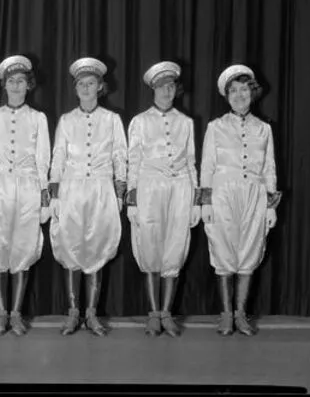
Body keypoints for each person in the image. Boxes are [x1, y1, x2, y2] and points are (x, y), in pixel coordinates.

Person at [199, 64, 281, 336]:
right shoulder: (216, 127)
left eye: (244, 89)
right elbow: (207, 165)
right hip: (223, 193)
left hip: (254, 195)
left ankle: (241, 314)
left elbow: (269, 167)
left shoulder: (263, 129)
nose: (239, 95)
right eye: (233, 91)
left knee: (249, 251)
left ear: (252, 93)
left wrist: (270, 206)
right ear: (226, 96)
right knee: (223, 251)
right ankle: (225, 314)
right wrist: (206, 202)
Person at [49, 57, 127, 337]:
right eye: (81, 84)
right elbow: (57, 157)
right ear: (76, 88)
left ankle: (92, 314)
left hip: (101, 189)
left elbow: (120, 155)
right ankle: (73, 313)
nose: (85, 88)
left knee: (96, 247)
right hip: (72, 188)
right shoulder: (67, 120)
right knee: (71, 247)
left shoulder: (112, 119)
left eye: (90, 83)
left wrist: (119, 193)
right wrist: (54, 194)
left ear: (100, 87)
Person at [0, 55, 51, 337]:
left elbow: (43, 158)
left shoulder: (38, 118)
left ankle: (16, 313)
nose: (16, 86)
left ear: (28, 85)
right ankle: (0, 312)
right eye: (11, 81)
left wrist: (44, 194)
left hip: (27, 187)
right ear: (4, 85)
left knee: (22, 248)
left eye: (21, 81)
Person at [126, 61, 200, 338]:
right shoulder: (140, 121)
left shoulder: (186, 122)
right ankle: (153, 313)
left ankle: (167, 313)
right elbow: (132, 162)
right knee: (150, 246)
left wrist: (195, 200)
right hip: (149, 187)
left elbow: (192, 163)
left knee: (174, 245)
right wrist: (131, 200)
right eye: (161, 87)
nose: (167, 91)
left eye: (171, 86)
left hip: (179, 187)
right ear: (153, 90)